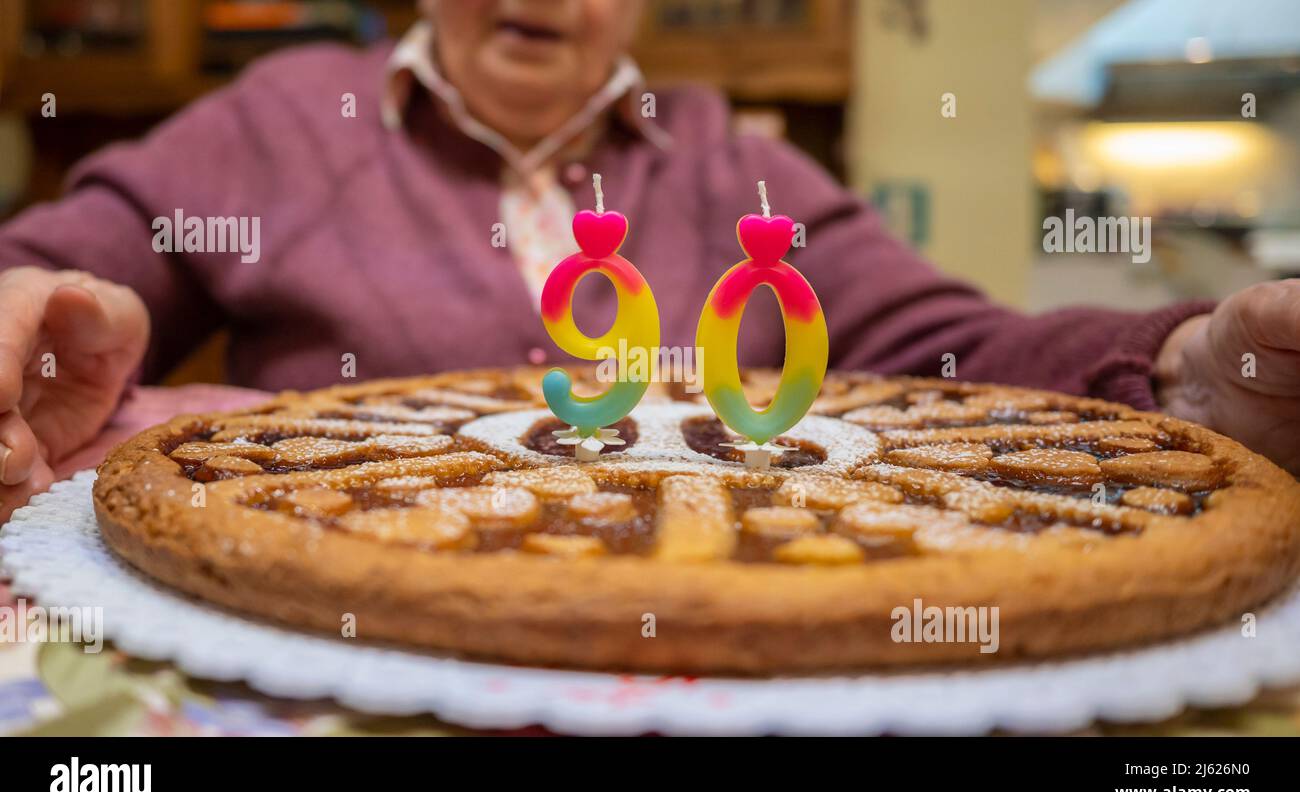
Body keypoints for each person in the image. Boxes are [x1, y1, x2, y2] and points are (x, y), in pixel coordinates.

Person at [0, 0, 1297, 525]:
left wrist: (1185, 370)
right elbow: (81, 261)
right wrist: (39, 315)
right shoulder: (287, 112)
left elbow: (947, 342)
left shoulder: (727, 149)